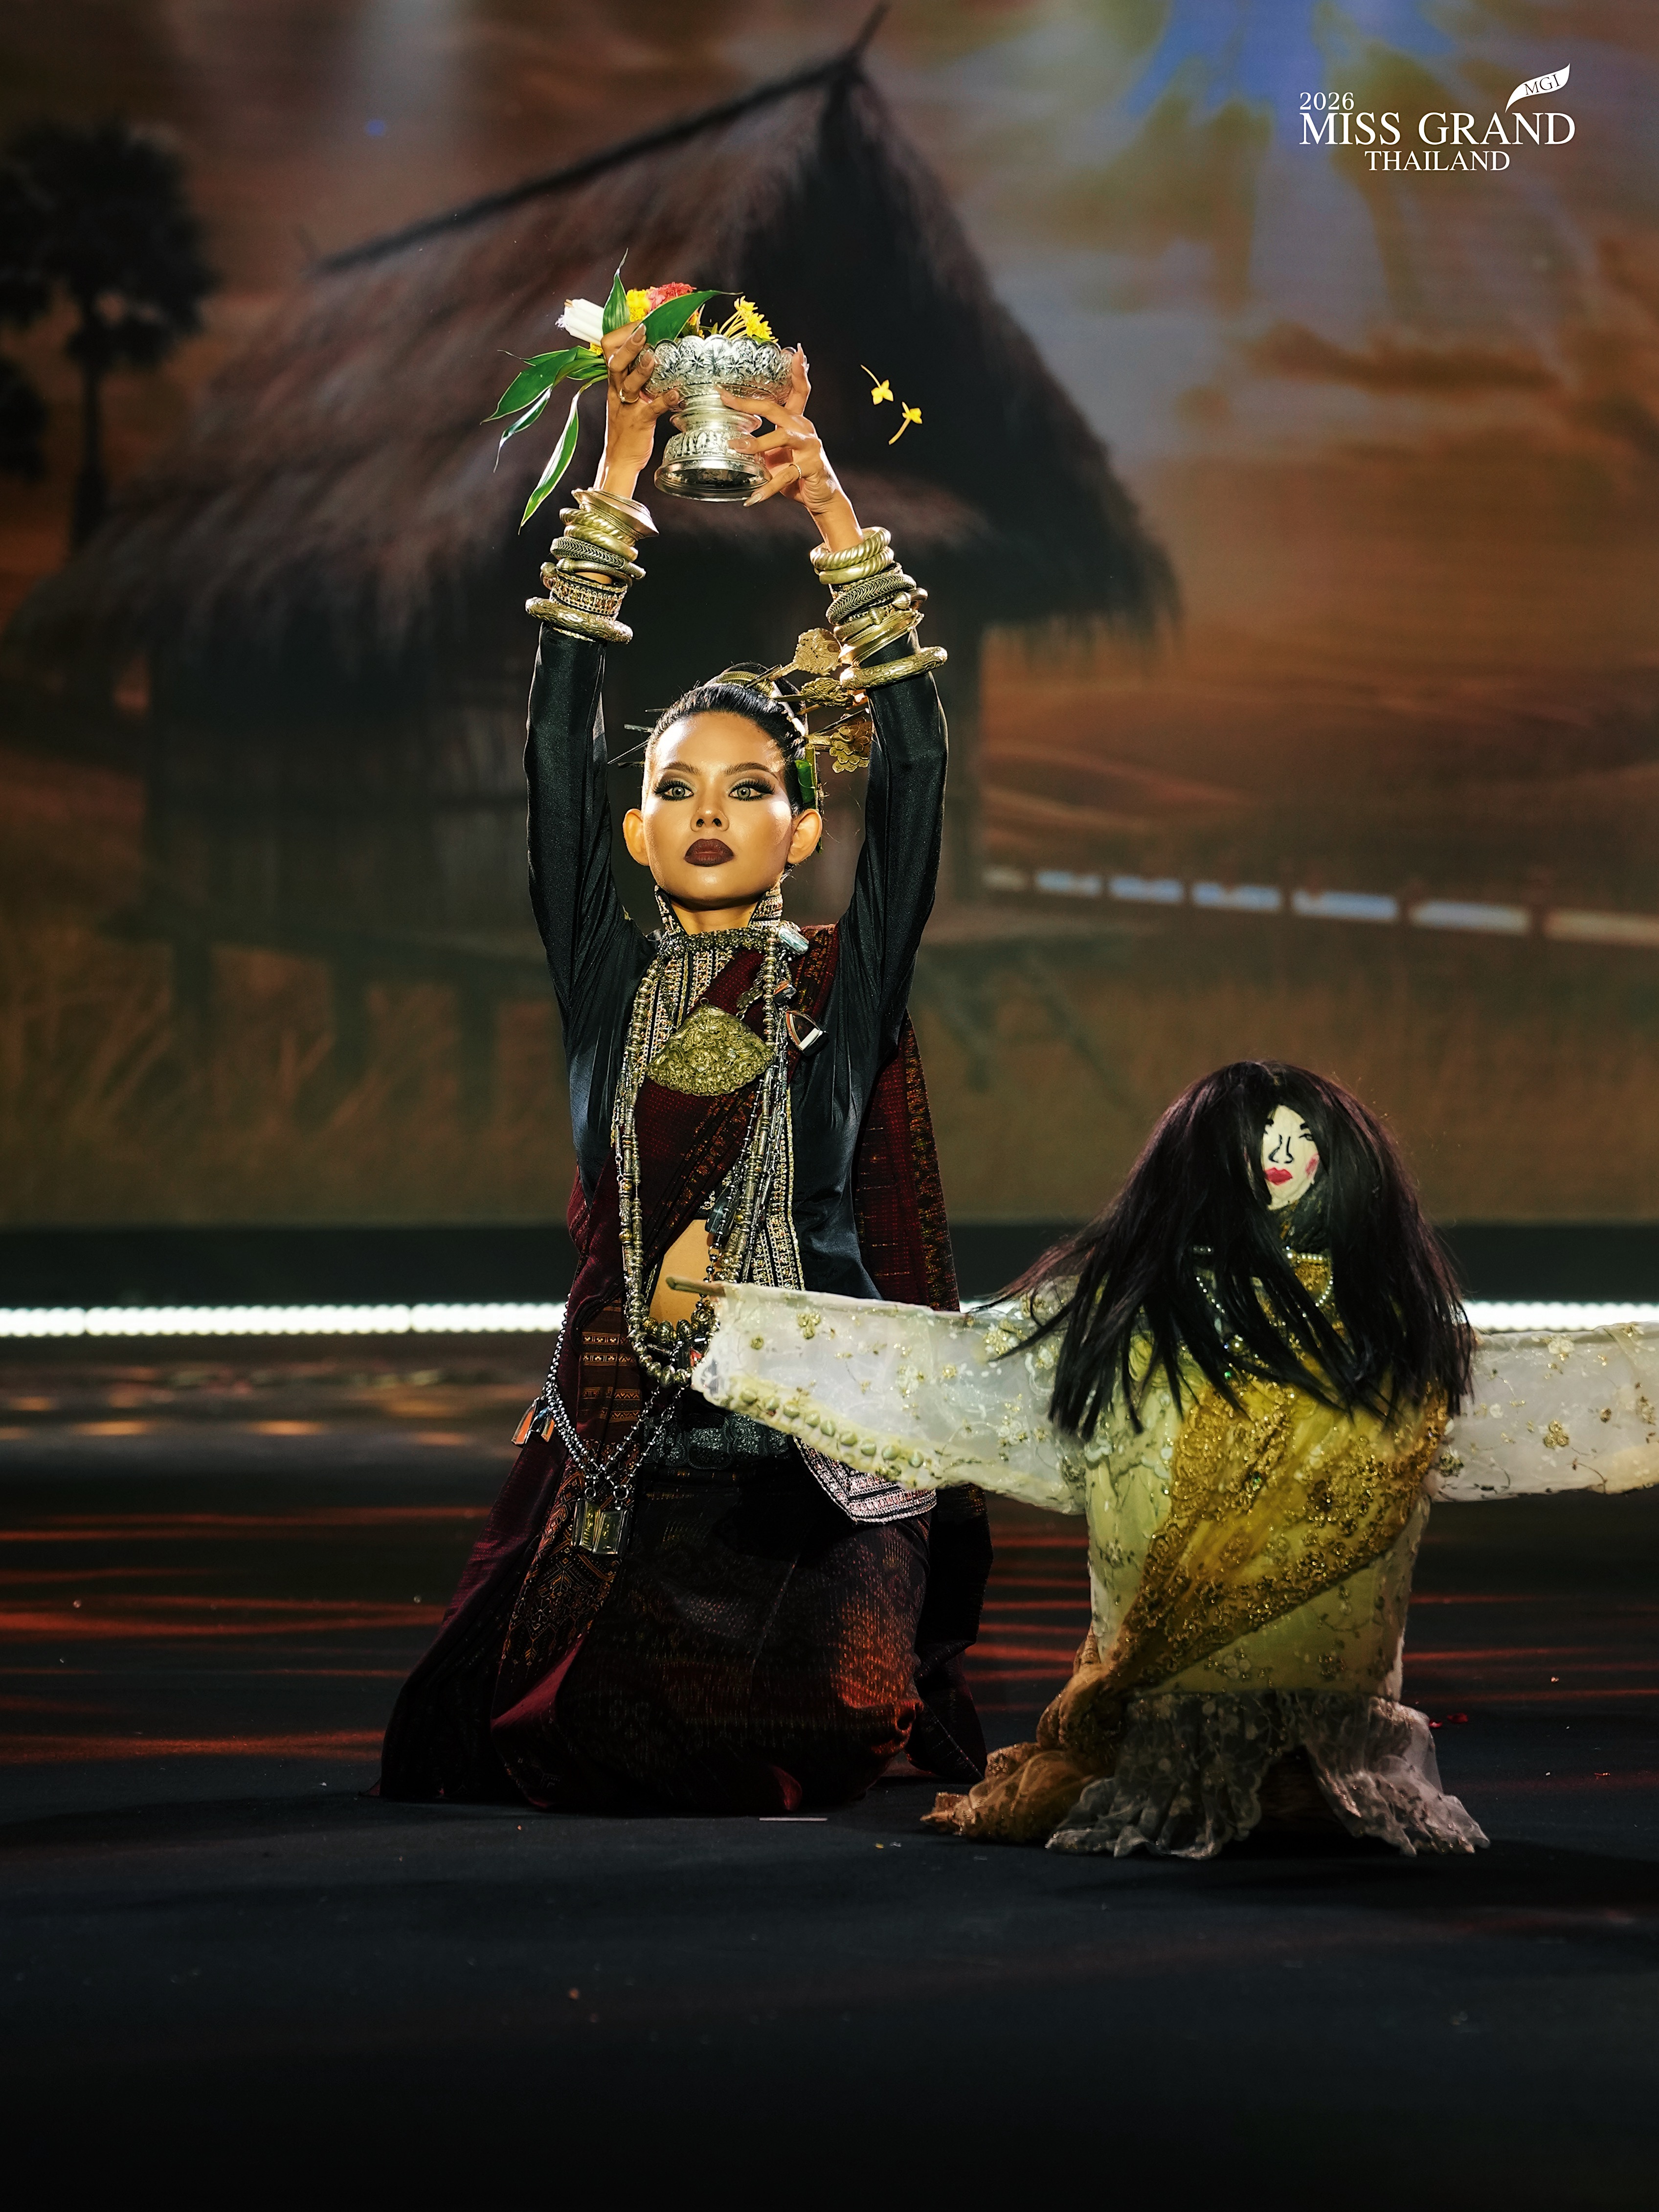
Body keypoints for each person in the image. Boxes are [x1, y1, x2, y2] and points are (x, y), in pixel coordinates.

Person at [379, 316, 990, 1816]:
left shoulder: (838, 993)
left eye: (751, 787)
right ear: (636, 829)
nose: (710, 811)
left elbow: (917, 777)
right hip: (638, 1455)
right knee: (563, 1735)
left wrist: (830, 508)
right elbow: (551, 757)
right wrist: (617, 479)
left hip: (811, 1473)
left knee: (810, 1729)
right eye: (676, 788)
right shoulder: (612, 988)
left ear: (803, 827)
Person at [689, 1061, 1659, 1856]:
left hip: (1334, 1732)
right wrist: (735, 1329)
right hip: (1165, 1714)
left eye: (1300, 1141)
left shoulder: (1392, 1337)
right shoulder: (1136, 1325)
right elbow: (938, 1362)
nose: (1280, 1159)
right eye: (1258, 1141)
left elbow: (1566, 1381)